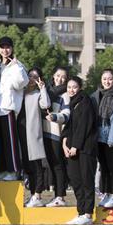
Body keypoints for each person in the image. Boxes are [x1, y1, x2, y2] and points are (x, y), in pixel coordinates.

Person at [0, 37, 29, 181]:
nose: (5, 50)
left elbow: (21, 83)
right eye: (2, 47)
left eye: (7, 47)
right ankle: (1, 170)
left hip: (8, 108)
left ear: (12, 48)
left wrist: (16, 66)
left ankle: (13, 171)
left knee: (10, 142)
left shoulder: (17, 65)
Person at [62, 76, 98, 225]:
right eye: (69, 87)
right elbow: (69, 126)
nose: (71, 90)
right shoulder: (72, 103)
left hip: (85, 148)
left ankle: (88, 214)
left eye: (74, 87)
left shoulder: (85, 101)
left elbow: (84, 125)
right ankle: (81, 212)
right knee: (75, 180)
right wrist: (64, 143)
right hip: (72, 148)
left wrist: (75, 146)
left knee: (86, 180)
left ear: (80, 88)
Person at [91, 69, 113, 208]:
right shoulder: (96, 95)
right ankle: (105, 193)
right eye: (104, 78)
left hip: (109, 136)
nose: (107, 81)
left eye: (110, 79)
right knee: (103, 167)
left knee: (112, 166)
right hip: (98, 136)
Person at [17, 67, 50, 207]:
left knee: (36, 165)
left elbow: (46, 104)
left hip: (32, 133)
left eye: (36, 77)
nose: (32, 79)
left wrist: (42, 89)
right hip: (21, 133)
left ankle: (38, 195)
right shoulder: (20, 92)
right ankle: (32, 195)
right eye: (30, 75)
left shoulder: (37, 94)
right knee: (27, 166)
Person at [43, 67, 71, 207]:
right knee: (51, 165)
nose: (60, 79)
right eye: (58, 75)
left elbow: (67, 114)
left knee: (58, 165)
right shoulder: (46, 90)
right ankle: (56, 196)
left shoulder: (65, 94)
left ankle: (60, 197)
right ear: (53, 76)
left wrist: (54, 117)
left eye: (63, 77)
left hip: (56, 133)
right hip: (44, 132)